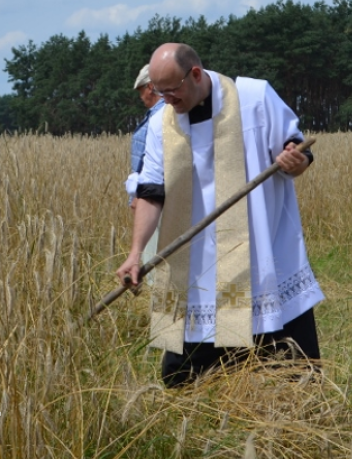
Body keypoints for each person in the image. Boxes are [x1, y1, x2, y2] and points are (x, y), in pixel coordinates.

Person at [115, 43, 325, 387]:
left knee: (292, 377)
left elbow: (296, 151)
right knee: (185, 386)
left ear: (195, 74)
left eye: (172, 90)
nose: (166, 100)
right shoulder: (161, 126)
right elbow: (151, 192)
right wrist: (136, 253)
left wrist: (294, 159)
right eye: (159, 92)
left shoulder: (254, 98)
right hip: (199, 263)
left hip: (262, 250)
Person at [124, 64, 165, 272]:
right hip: (150, 196)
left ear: (150, 87)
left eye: (141, 91)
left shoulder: (162, 116)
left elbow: (153, 164)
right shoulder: (155, 115)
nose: (141, 97)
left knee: (155, 256)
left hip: (155, 199)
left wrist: (140, 196)